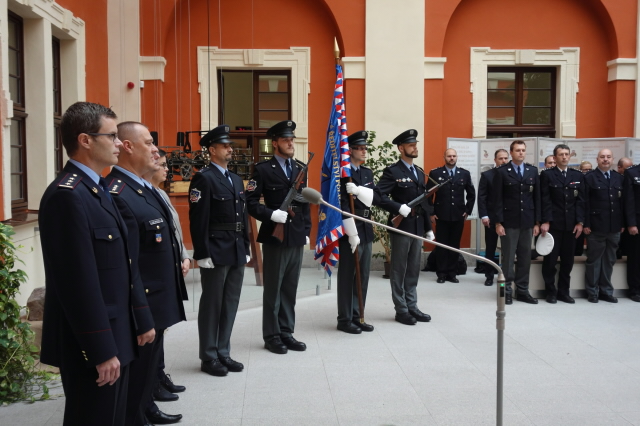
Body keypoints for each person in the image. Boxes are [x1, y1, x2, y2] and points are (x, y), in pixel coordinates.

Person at [39, 102, 155, 425]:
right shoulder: (67, 195)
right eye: (113, 136)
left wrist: (140, 319)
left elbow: (125, 265)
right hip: (94, 344)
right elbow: (78, 283)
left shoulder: (97, 189)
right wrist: (100, 350)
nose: (120, 144)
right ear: (86, 140)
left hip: (118, 334)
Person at [108, 122, 187, 425]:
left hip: (157, 298)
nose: (156, 150)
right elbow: (128, 262)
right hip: (143, 301)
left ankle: (146, 409)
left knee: (146, 373)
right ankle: (138, 415)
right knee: (137, 375)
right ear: (128, 146)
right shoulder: (118, 192)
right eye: (149, 143)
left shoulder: (142, 188)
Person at [188, 125, 250, 374]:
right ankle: (208, 356)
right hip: (215, 248)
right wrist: (201, 253)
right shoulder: (204, 178)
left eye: (230, 146)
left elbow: (242, 216)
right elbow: (198, 219)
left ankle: (224, 351)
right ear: (212, 150)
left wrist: (246, 245)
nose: (230, 149)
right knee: (212, 304)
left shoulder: (235, 179)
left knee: (230, 303)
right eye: (225, 146)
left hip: (235, 247)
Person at [246, 120, 311, 354]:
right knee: (273, 289)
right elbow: (250, 203)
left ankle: (287, 332)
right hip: (275, 237)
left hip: (295, 236)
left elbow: (305, 204)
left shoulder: (301, 168)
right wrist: (271, 214)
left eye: (292, 139)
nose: (291, 143)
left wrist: (306, 233)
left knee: (290, 288)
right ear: (275, 143)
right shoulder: (263, 170)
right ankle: (272, 335)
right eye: (286, 140)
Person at [141, 150, 189, 402]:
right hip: (153, 278)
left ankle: (158, 375)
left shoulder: (159, 194)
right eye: (162, 165)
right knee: (154, 330)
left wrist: (183, 256)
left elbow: (175, 232)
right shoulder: (141, 195)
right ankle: (153, 381)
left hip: (170, 268)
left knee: (161, 330)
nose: (166, 169)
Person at [378, 129, 435, 325]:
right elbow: (378, 196)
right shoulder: (393, 171)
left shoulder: (419, 172)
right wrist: (397, 207)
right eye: (411, 145)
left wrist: (428, 228)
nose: (415, 147)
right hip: (401, 226)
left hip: (417, 226)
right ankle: (401, 309)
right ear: (401, 148)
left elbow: (424, 203)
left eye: (415, 144)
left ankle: (412, 305)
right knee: (399, 269)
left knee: (413, 269)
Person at [337, 131, 392, 334]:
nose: (364, 151)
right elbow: (341, 204)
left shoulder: (366, 173)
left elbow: (376, 197)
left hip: (366, 226)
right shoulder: (342, 173)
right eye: (360, 148)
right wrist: (351, 231)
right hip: (350, 227)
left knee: (363, 276)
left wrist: (360, 191)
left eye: (365, 148)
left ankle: (358, 314)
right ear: (349, 150)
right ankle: (344, 318)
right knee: (348, 275)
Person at [491, 140, 541, 305]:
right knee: (508, 259)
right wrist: (498, 223)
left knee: (525, 258)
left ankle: (523, 290)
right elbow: (496, 200)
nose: (521, 153)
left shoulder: (532, 171)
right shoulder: (502, 172)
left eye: (523, 150)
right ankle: (506, 291)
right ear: (511, 153)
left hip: (527, 222)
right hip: (509, 223)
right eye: (517, 150)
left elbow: (537, 198)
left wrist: (537, 222)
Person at [539, 144, 585, 304]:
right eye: (561, 154)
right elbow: (545, 200)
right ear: (555, 157)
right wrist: (545, 221)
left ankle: (564, 292)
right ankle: (550, 292)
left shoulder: (577, 175)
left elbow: (581, 201)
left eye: (566, 154)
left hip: (571, 225)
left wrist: (580, 222)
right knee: (550, 261)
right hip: (553, 225)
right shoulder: (547, 175)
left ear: (570, 156)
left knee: (567, 261)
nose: (564, 157)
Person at [427, 148, 476, 283]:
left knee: (454, 245)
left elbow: (472, 194)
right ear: (444, 157)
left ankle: (452, 273)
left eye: (454, 156)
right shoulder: (435, 173)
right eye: (449, 156)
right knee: (442, 245)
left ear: (457, 157)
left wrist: (467, 210)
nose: (452, 158)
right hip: (441, 216)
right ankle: (441, 273)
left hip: (458, 216)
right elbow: (428, 195)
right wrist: (431, 213)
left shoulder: (464, 174)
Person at [583, 149, 624, 303]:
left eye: (608, 157)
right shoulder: (590, 178)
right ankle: (592, 291)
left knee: (609, 260)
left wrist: (622, 224)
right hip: (595, 226)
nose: (605, 159)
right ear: (597, 159)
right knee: (594, 260)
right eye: (602, 157)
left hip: (614, 226)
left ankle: (606, 291)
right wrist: (586, 223)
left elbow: (623, 203)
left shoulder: (618, 178)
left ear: (613, 159)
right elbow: (584, 203)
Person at [477, 149, 509, 286]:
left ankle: (507, 275)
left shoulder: (511, 174)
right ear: (495, 160)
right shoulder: (487, 175)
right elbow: (482, 197)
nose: (504, 161)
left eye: (506, 158)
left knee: (508, 247)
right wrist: (484, 215)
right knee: (490, 247)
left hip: (508, 218)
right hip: (491, 217)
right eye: (501, 158)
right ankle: (489, 275)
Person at [622, 163, 640, 302]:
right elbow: (628, 200)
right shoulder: (632, 172)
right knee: (636, 257)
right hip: (637, 223)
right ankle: (635, 289)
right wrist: (631, 223)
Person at [574, 161, 594, 255]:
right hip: (578, 217)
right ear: (580, 170)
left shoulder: (593, 180)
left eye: (590, 169)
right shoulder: (577, 180)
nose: (587, 171)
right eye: (585, 169)